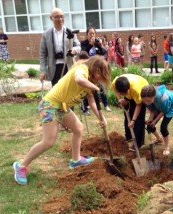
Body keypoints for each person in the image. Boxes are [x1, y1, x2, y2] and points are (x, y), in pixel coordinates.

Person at [13, 56, 111, 185]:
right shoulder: (82, 69)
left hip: (61, 107)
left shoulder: (92, 80)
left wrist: (101, 118)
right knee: (48, 142)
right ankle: (21, 165)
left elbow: (92, 101)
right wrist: (94, 87)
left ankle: (76, 161)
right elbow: (78, 79)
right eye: (100, 74)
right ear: (95, 68)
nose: (100, 78)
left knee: (78, 128)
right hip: (50, 105)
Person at [40, 8, 81, 87]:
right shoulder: (46, 34)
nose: (60, 19)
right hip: (54, 68)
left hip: (68, 66)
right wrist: (43, 71)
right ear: (51, 18)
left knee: (69, 91)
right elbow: (42, 54)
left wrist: (74, 50)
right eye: (57, 17)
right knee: (56, 92)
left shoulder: (70, 32)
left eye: (62, 16)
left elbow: (78, 46)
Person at [112, 74, 148, 151]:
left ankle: (138, 144)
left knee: (138, 120)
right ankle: (129, 136)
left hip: (142, 91)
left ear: (128, 89)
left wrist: (133, 120)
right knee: (127, 116)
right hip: (131, 93)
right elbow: (117, 91)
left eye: (125, 93)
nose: (124, 95)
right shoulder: (115, 83)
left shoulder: (136, 90)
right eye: (122, 93)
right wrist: (120, 99)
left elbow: (138, 105)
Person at [141, 85, 173, 156]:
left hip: (171, 107)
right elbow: (152, 109)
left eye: (148, 101)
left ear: (154, 96)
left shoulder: (163, 99)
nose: (146, 102)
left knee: (163, 128)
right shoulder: (147, 100)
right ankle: (159, 139)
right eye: (144, 101)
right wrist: (151, 119)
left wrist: (154, 121)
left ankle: (167, 147)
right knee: (150, 126)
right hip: (158, 106)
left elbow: (163, 111)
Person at [81, 27, 111, 113]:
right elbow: (83, 53)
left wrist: (99, 45)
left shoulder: (97, 43)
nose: (92, 35)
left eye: (93, 33)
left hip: (97, 69)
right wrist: (90, 44)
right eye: (90, 33)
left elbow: (103, 52)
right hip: (87, 68)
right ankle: (86, 108)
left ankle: (106, 105)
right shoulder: (84, 43)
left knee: (100, 86)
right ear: (87, 34)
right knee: (86, 88)